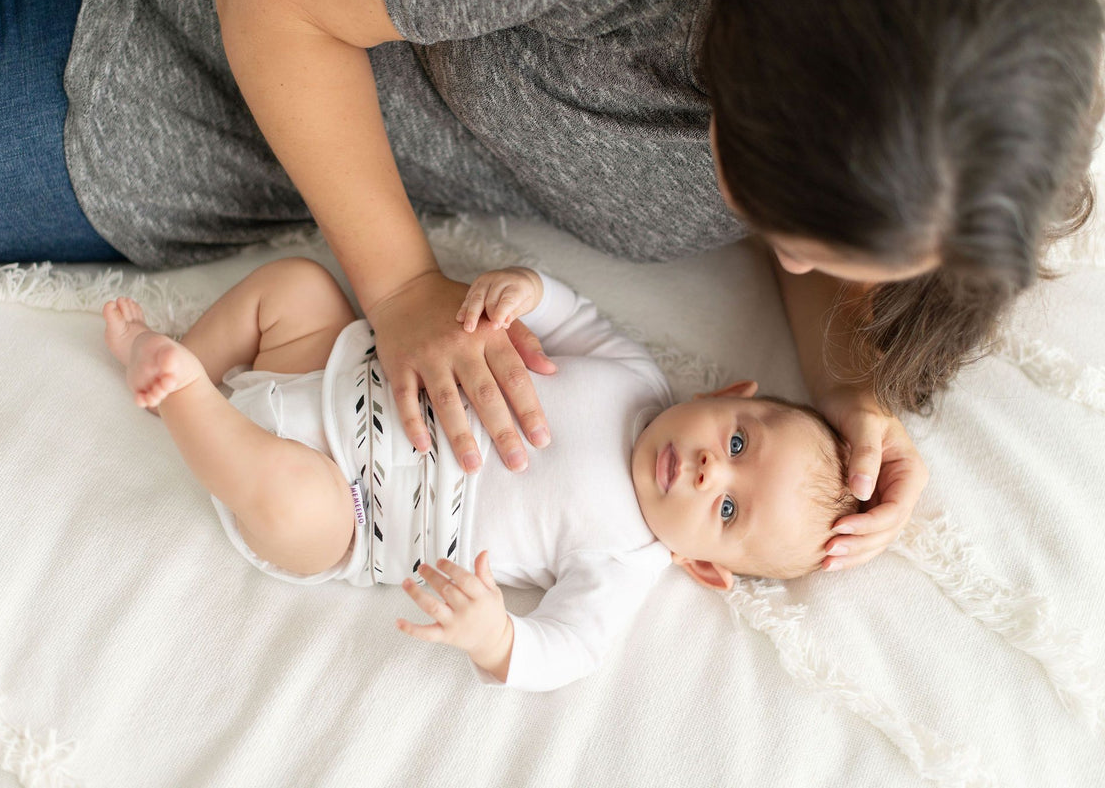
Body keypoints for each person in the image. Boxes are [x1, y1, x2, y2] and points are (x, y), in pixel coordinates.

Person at [0, 0, 1102, 572]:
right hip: (131, 58)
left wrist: (852, 389)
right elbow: (273, 1)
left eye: (837, 258)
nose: (791, 265)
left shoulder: (947, 105)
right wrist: (402, 289)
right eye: (788, 226)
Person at [100, 258, 859, 691]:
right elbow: (572, 315)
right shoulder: (636, 374)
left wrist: (496, 636)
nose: (705, 472)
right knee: (299, 287)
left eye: (727, 511)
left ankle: (180, 391)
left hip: (356, 508)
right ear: (727, 397)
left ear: (701, 566)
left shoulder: (625, 558)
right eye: (734, 444)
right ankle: (187, 353)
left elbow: (572, 649)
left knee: (292, 505)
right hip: (340, 364)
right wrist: (528, 291)